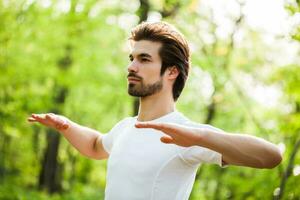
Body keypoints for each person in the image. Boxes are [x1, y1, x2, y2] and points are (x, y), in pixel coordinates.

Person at [28, 21, 282, 200]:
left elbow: (270, 157)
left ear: (172, 71)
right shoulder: (126, 127)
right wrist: (67, 126)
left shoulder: (188, 134)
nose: (132, 67)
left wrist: (201, 137)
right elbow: (96, 146)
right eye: (132, 59)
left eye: (144, 59)